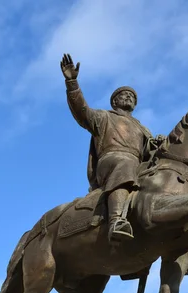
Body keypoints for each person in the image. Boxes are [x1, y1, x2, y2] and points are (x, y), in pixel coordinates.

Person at [60, 53, 153, 242]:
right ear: (114, 102)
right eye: (123, 95)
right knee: (125, 164)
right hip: (111, 161)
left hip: (136, 164)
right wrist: (72, 83)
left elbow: (151, 154)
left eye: (132, 96)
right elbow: (81, 110)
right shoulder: (103, 117)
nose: (128, 97)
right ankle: (116, 220)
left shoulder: (142, 128)